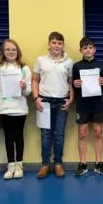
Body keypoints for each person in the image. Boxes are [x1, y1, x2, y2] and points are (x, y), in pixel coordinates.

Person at [32, 32, 74, 178]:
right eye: (54, 42)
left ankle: (58, 164)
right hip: (44, 101)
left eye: (60, 43)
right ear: (49, 44)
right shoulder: (41, 60)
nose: (57, 46)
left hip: (62, 101)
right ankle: (45, 165)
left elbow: (70, 83)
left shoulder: (69, 62)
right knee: (45, 134)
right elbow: (35, 80)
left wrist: (71, 99)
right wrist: (36, 97)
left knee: (59, 134)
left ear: (63, 45)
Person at [0, 39, 32, 180]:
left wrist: (24, 87)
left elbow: (28, 92)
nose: (11, 52)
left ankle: (19, 164)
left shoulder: (24, 69)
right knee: (8, 137)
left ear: (17, 51)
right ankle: (11, 164)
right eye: (8, 49)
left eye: (13, 49)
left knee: (19, 136)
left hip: (20, 108)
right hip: (4, 109)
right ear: (3, 52)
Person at [72, 37, 103, 176]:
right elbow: (73, 84)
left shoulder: (101, 65)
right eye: (85, 48)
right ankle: (82, 164)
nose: (88, 50)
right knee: (82, 132)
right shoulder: (76, 66)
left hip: (97, 104)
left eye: (90, 47)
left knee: (98, 132)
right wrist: (74, 84)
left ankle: (99, 163)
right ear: (81, 50)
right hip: (82, 104)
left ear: (95, 49)